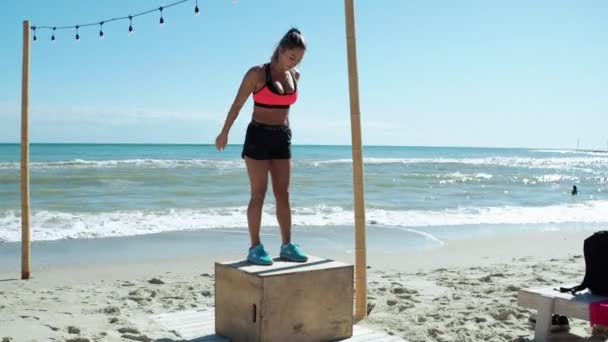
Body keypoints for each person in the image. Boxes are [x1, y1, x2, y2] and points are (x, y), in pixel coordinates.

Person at [215, 28, 308, 266]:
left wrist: (284, 132)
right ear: (281, 50)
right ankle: (255, 247)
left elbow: (284, 109)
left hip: (282, 138)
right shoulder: (257, 74)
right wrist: (224, 132)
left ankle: (287, 245)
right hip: (258, 136)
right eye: (291, 57)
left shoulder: (294, 77)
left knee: (283, 194)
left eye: (298, 60)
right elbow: (237, 105)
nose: (294, 63)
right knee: (258, 194)